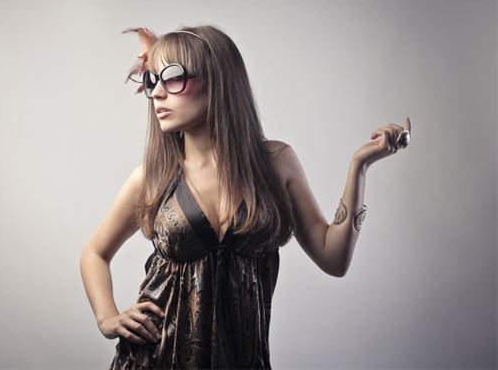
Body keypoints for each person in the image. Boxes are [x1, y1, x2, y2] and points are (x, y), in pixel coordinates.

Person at [79, 24, 412, 369]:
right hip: (154, 358)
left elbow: (334, 258)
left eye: (173, 78)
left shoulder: (275, 163)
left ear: (217, 81)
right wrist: (108, 318)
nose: (158, 94)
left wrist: (360, 167)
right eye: (152, 81)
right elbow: (94, 253)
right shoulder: (153, 176)